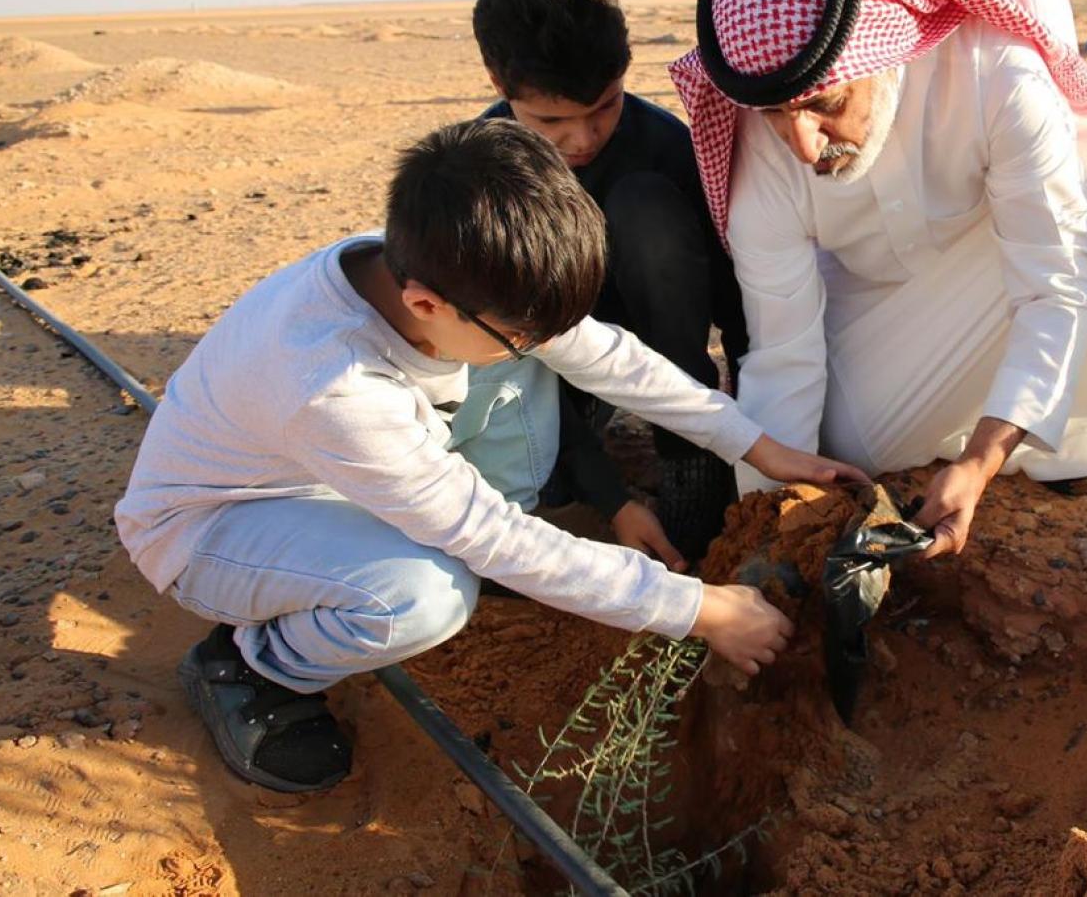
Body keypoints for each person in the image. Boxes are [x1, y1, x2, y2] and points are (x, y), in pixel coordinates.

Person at [114, 119, 863, 793]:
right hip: (212, 528)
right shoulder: (332, 387)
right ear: (428, 306)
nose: (540, 349)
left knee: (506, 376)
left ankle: (330, 588)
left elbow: (604, 355)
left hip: (327, 474)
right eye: (524, 334)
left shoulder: (441, 269)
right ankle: (252, 665)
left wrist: (756, 443)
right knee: (425, 593)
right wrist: (697, 609)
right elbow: (490, 534)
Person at [670, 0, 1087, 561]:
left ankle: (1063, 443)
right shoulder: (762, 146)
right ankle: (988, 421)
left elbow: (1054, 282)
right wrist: (765, 527)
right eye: (778, 117)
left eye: (825, 106)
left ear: (885, 46)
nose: (805, 147)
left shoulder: (992, 70)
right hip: (873, 322)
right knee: (843, 444)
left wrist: (981, 460)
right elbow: (784, 349)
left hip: (999, 268)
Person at [472, 0, 749, 560]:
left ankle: (688, 463)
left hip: (663, 356)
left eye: (605, 107)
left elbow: (738, 307)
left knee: (647, 209)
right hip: (540, 373)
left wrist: (750, 438)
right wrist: (609, 495)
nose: (584, 138)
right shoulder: (482, 171)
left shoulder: (667, 147)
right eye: (551, 123)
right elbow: (493, 355)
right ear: (498, 83)